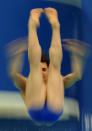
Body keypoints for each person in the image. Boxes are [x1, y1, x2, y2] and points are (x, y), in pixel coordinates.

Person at [7, 8, 88, 125]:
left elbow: (77, 75)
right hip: (41, 109)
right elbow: (13, 75)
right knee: (36, 68)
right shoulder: (26, 83)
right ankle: (33, 26)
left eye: (44, 69)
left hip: (49, 110)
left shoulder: (59, 81)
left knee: (55, 70)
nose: (41, 72)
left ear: (47, 69)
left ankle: (55, 26)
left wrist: (77, 58)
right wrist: (16, 57)